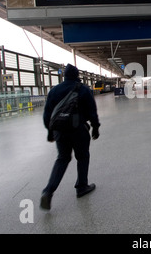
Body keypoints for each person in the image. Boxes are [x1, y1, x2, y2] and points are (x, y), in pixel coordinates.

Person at [40, 64, 100, 210]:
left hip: (60, 131)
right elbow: (92, 110)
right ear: (77, 75)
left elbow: (48, 114)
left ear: (64, 76)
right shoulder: (83, 89)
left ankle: (48, 191)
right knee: (83, 156)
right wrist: (95, 127)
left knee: (62, 158)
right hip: (78, 129)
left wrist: (50, 132)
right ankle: (81, 187)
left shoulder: (54, 90)